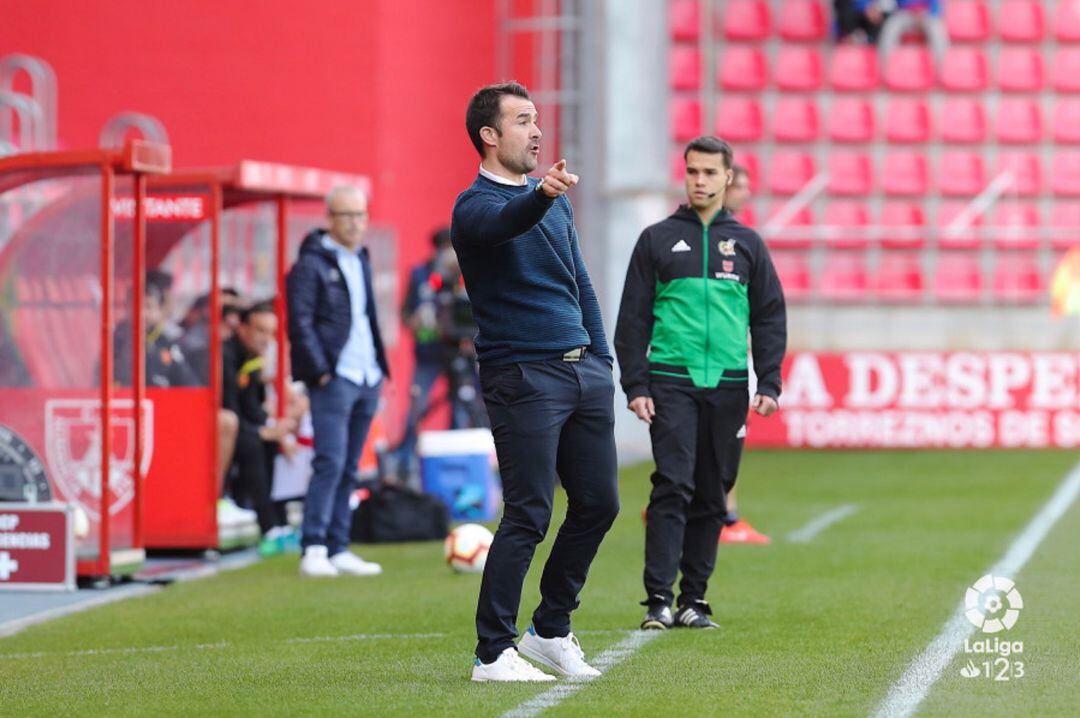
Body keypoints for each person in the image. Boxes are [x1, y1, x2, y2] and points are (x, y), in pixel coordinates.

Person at [452, 82, 619, 683]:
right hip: (522, 375)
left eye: (537, 119)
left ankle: (550, 629)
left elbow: (582, 283)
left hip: (582, 372)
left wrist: (602, 360)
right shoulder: (473, 207)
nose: (537, 130)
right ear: (489, 136)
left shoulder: (555, 203)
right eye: (522, 121)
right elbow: (507, 221)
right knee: (528, 513)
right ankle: (491, 653)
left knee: (600, 503)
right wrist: (541, 196)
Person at [614, 136, 787, 631]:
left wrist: (769, 382)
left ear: (728, 178)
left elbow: (769, 317)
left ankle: (694, 599)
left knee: (715, 490)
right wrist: (636, 384)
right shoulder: (656, 239)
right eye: (693, 172)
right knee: (672, 484)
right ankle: (657, 600)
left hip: (729, 383)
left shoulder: (749, 245)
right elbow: (633, 319)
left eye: (710, 173)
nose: (700, 181)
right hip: (672, 379)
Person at [286, 185, 390, 578]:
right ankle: (313, 545)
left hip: (367, 375)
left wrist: (380, 367)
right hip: (336, 376)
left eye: (361, 215)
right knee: (329, 460)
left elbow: (366, 318)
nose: (355, 223)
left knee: (350, 465)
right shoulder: (311, 264)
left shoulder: (361, 257)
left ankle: (338, 545)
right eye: (347, 215)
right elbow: (300, 322)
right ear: (330, 218)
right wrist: (320, 371)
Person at [717, 165, 771, 546]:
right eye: (741, 185)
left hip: (732, 350)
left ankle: (669, 505)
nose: (746, 192)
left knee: (720, 437)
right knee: (724, 437)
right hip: (718, 356)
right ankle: (726, 517)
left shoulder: (739, 239)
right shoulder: (715, 239)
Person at [221, 301, 297, 556]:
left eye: (270, 333)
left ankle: (279, 521)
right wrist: (262, 431)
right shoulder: (225, 356)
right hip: (216, 430)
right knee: (253, 443)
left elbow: (253, 407)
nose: (266, 339)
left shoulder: (253, 358)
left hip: (239, 426)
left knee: (272, 442)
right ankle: (268, 527)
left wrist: (272, 429)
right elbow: (226, 407)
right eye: (260, 330)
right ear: (242, 328)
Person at [114, 269, 198, 388]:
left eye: (148, 306)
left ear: (159, 310)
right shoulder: (115, 340)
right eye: (135, 306)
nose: (142, 314)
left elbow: (189, 384)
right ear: (126, 308)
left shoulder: (167, 343)